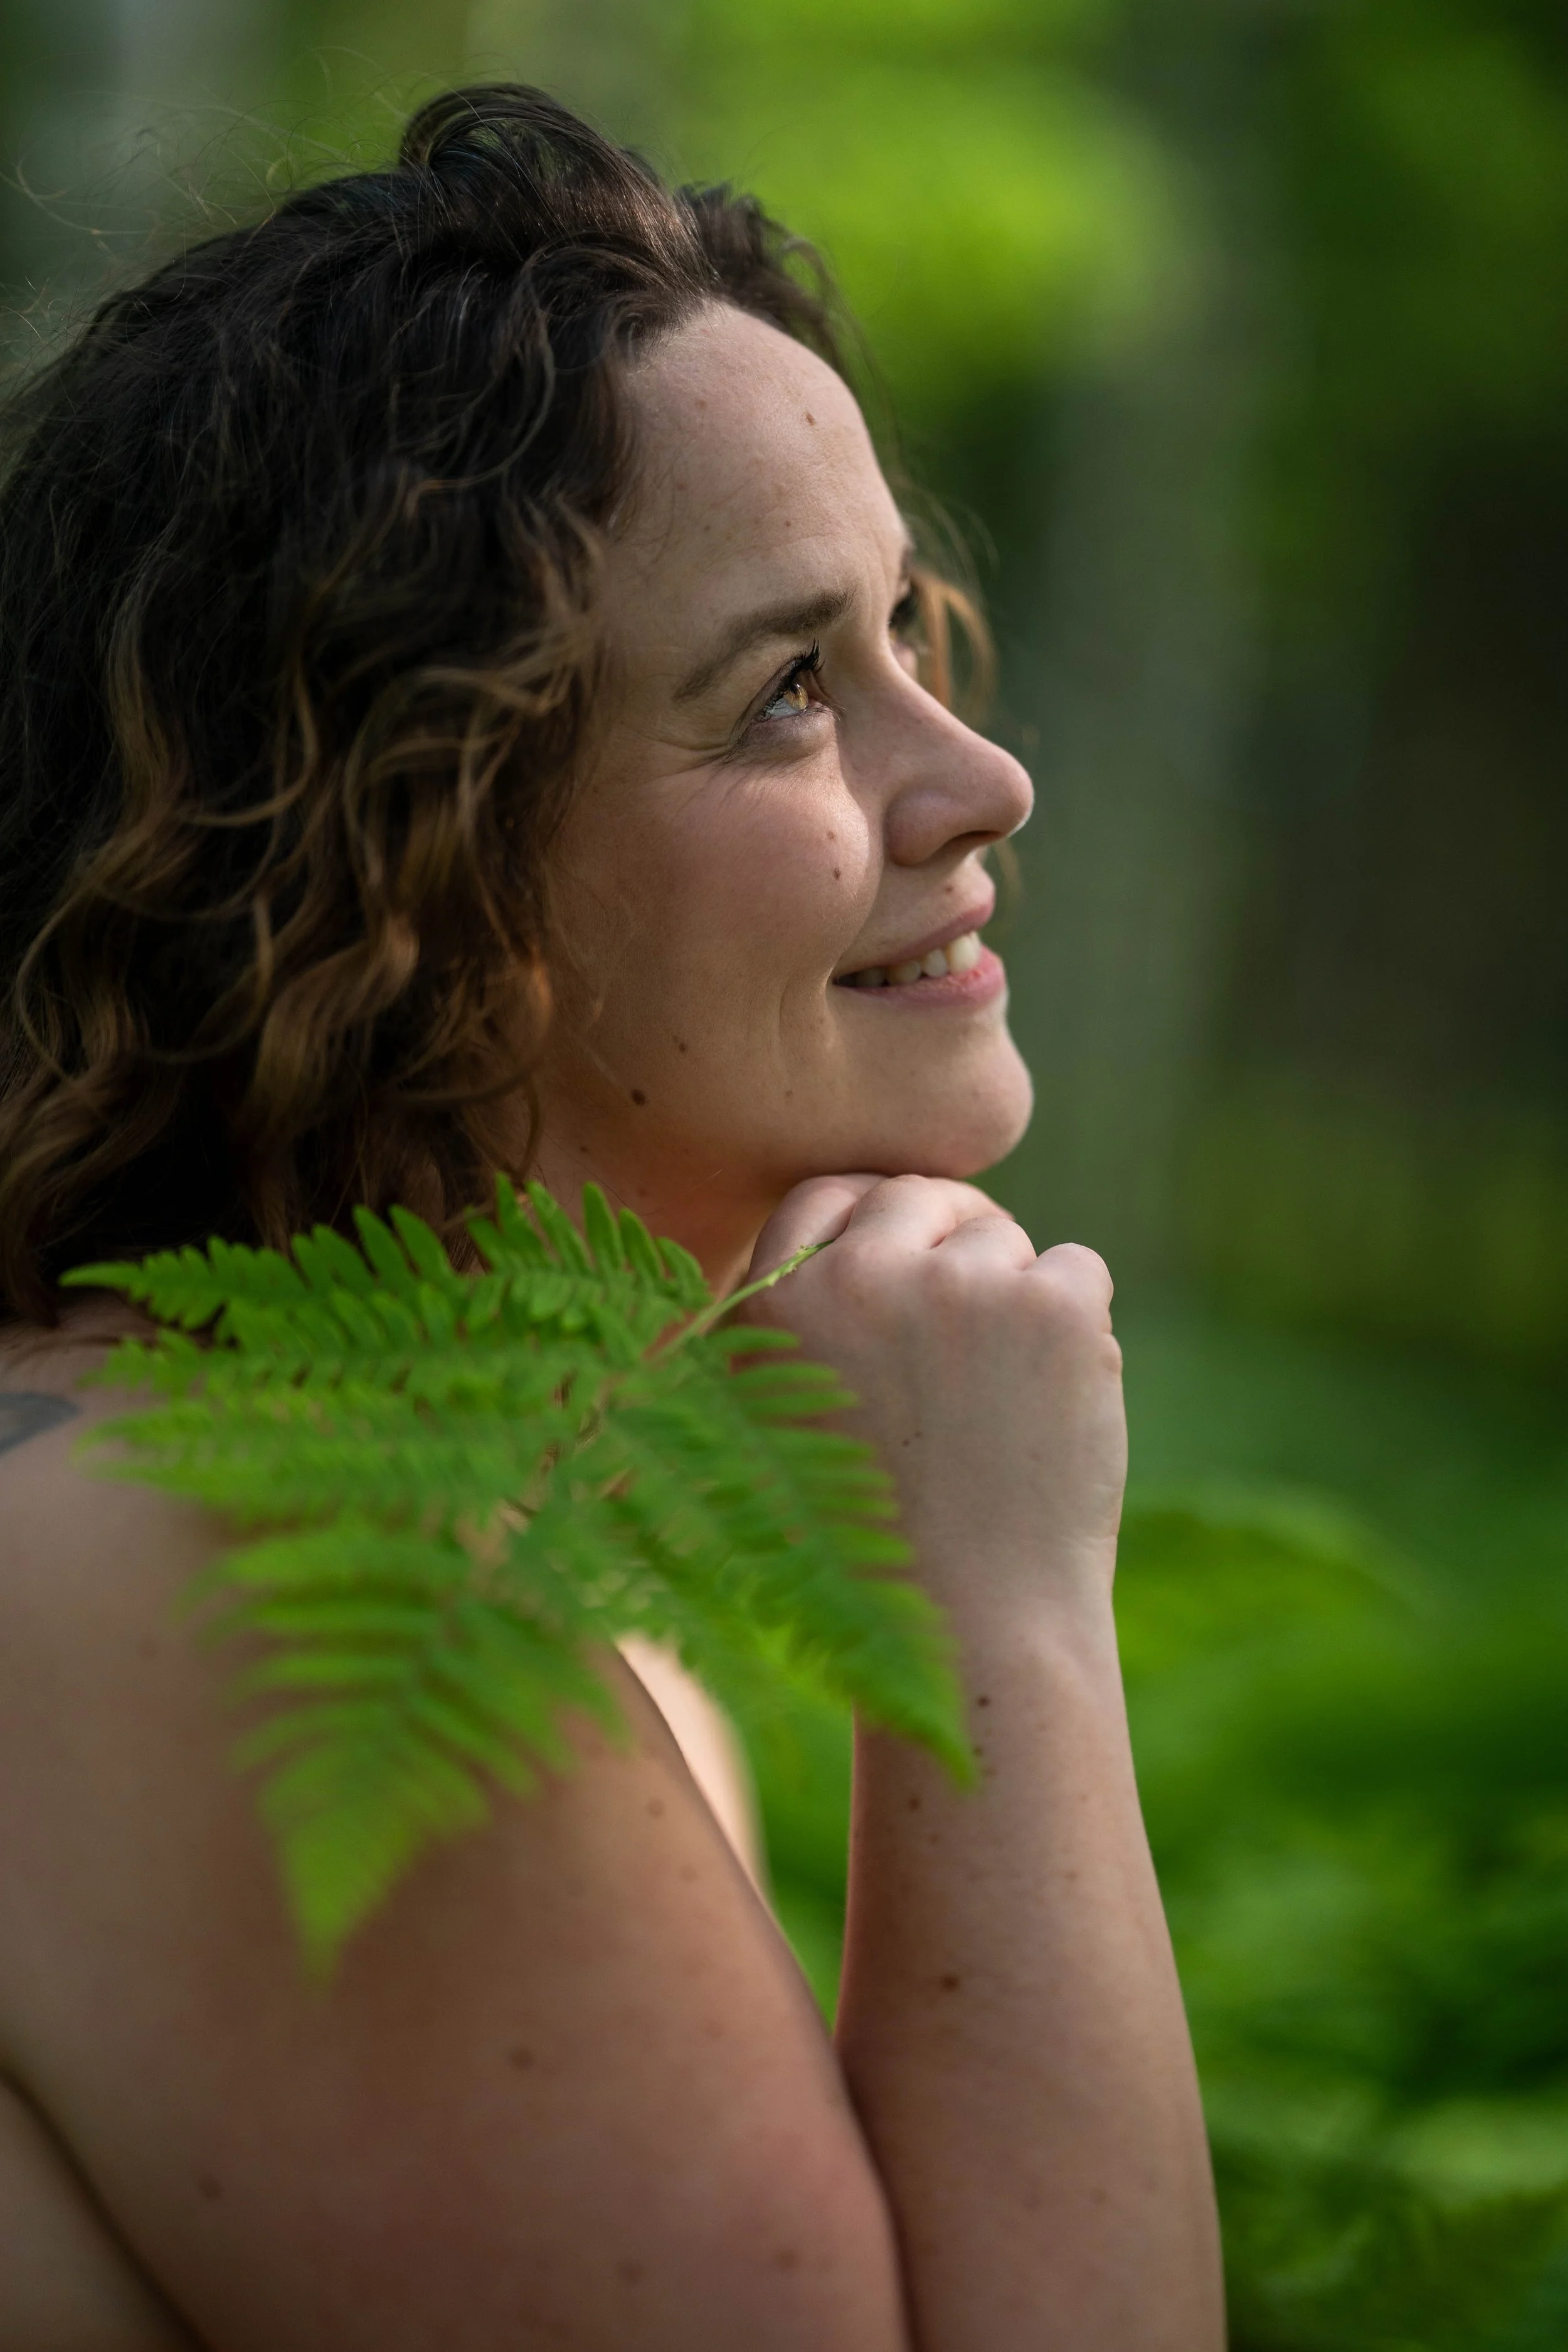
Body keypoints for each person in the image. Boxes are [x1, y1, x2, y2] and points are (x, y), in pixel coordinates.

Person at [0, 85, 1224, 2351]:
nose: (979, 778)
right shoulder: (259, 1561)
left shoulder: (496, 1589)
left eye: (904, 638)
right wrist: (1006, 1607)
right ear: (413, 867)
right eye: (784, 694)